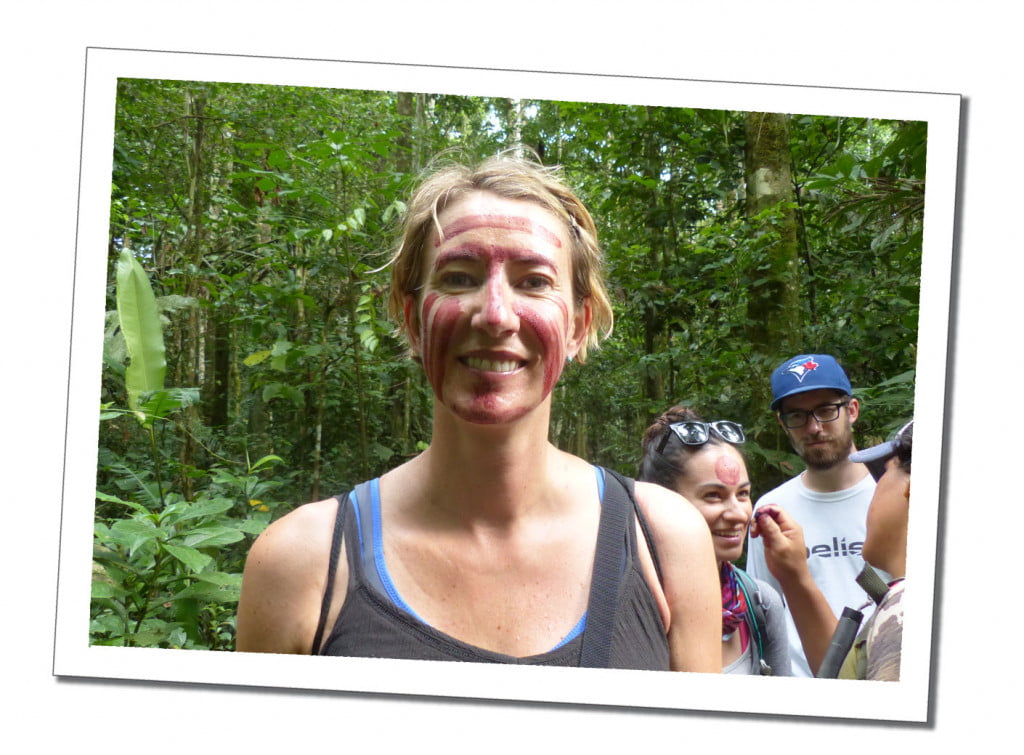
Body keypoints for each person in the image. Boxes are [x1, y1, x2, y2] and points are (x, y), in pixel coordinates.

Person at [236, 152, 722, 671]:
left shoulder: (666, 542)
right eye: (459, 277)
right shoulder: (300, 561)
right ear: (410, 317)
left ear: (579, 324)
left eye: (534, 281)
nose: (495, 315)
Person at [744, 353, 879, 677]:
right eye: (798, 416)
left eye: (826, 410)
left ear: (852, 411)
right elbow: (764, 613)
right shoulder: (772, 510)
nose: (814, 427)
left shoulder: (892, 497)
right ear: (783, 423)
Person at [751, 421, 912, 680]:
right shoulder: (897, 601)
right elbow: (841, 677)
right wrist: (794, 576)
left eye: (882, 473)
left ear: (910, 491)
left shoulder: (902, 617)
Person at [638, 406, 792, 675]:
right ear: (662, 500)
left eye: (743, 494)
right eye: (713, 496)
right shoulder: (634, 606)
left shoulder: (760, 603)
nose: (739, 514)